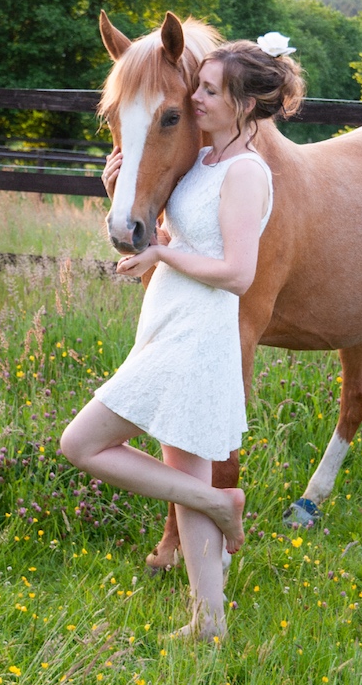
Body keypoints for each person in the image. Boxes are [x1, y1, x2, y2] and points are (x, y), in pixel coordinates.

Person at [61, 33, 306, 641]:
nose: (196, 95)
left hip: (197, 333)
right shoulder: (204, 162)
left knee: (81, 443)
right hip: (171, 321)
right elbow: (164, 232)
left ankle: (223, 505)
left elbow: (238, 274)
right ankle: (209, 622)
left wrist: (164, 260)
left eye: (210, 89)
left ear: (244, 105)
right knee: (188, 478)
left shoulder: (246, 173)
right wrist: (115, 185)